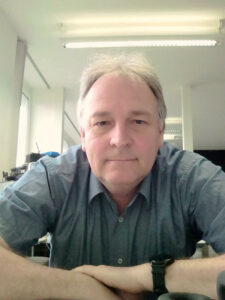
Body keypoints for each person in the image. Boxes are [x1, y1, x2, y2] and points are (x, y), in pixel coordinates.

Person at [0, 54, 225, 300]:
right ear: (84, 135)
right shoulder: (54, 178)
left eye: (138, 121)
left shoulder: (192, 178)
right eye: (102, 122)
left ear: (160, 132)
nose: (119, 140)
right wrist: (80, 288)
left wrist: (149, 276)